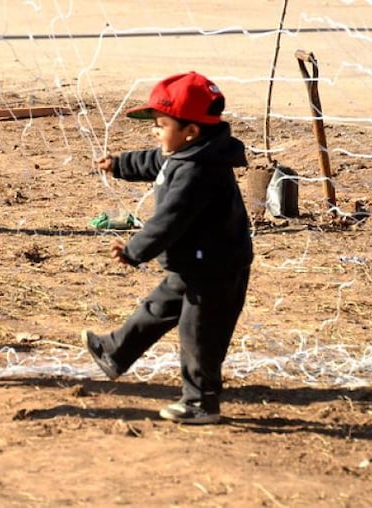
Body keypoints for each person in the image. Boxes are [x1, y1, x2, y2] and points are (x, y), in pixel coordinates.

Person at [82, 71, 253, 424]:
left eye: (161, 125)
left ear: (189, 131)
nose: (155, 132)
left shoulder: (198, 172)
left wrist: (134, 250)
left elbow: (169, 221)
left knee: (198, 335)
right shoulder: (189, 152)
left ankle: (200, 403)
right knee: (156, 308)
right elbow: (156, 161)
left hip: (216, 270)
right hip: (193, 263)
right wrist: (120, 165)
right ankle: (114, 353)